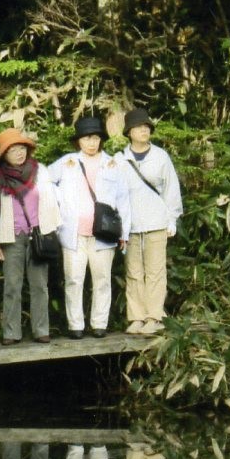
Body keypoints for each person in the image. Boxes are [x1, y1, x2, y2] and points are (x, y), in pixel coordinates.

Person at [48, 117, 131, 339]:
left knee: (102, 279)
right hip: (73, 233)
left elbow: (123, 199)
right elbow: (44, 181)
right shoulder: (67, 162)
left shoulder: (113, 163)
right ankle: (76, 325)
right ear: (79, 141)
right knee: (74, 280)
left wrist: (124, 232)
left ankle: (99, 324)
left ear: (101, 139)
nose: (92, 143)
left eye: (95, 138)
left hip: (103, 233)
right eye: (87, 138)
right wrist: (60, 203)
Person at [0, 128, 61, 345]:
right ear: (4, 155)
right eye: (13, 150)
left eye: (22, 148)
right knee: (12, 285)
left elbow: (52, 202)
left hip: (38, 234)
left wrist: (52, 230)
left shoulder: (40, 171)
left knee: (39, 285)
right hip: (11, 236)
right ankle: (11, 333)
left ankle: (41, 330)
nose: (19, 153)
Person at [117, 109, 183, 336]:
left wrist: (172, 218)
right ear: (129, 132)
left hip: (156, 222)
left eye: (147, 126)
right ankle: (136, 316)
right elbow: (113, 193)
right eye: (138, 127)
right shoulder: (120, 159)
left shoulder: (161, 156)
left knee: (155, 271)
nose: (144, 130)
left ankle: (154, 316)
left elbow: (171, 189)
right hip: (130, 225)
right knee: (134, 271)